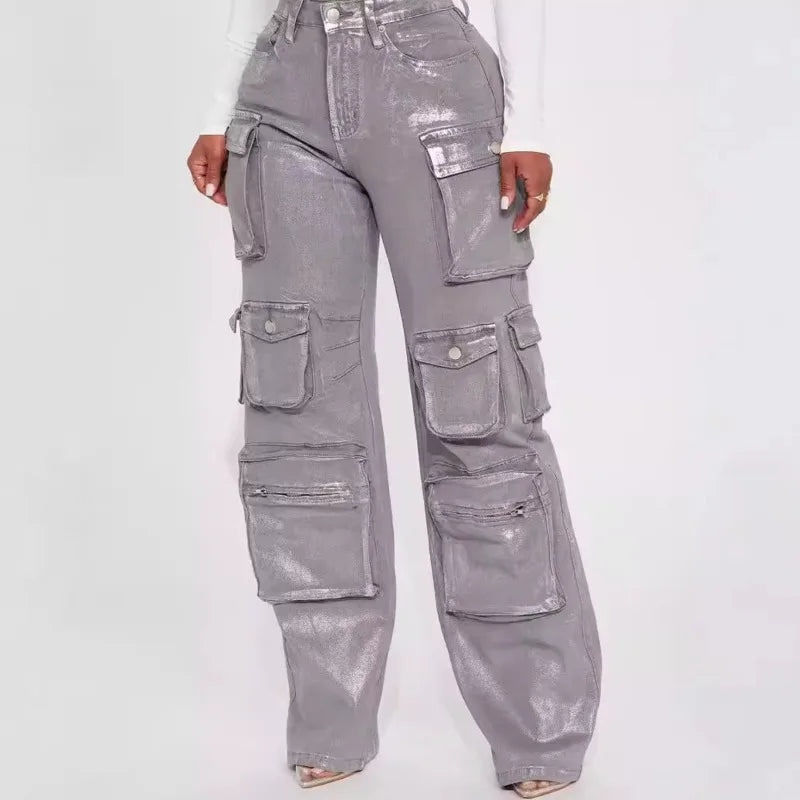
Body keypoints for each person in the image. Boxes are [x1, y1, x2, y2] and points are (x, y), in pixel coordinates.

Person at [186, 1, 601, 797]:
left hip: (431, 76)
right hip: (281, 87)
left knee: (478, 398)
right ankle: (331, 721)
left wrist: (528, 125)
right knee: (295, 411)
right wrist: (217, 106)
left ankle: (539, 728)